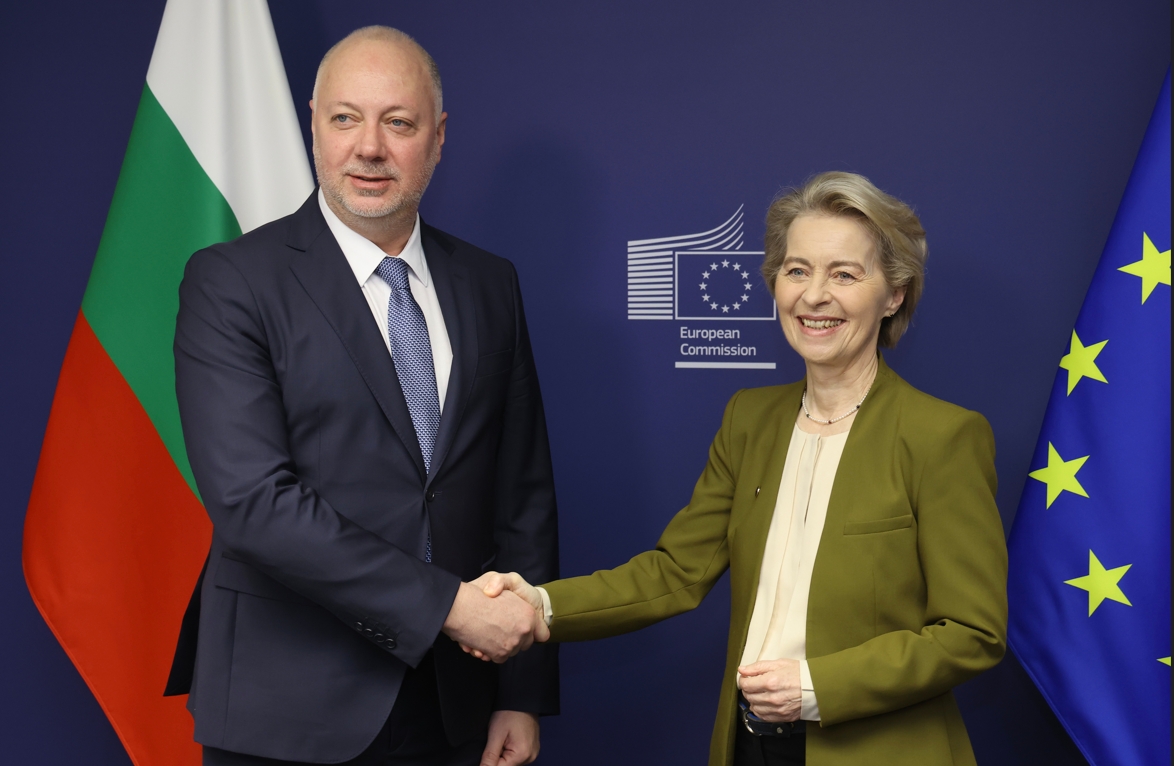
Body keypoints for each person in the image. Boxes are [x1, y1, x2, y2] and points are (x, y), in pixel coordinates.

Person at [478, 172, 1007, 766]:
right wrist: (540, 605)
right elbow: (675, 572)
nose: (814, 296)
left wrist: (816, 686)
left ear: (894, 295)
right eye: (797, 270)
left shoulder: (943, 436)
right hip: (749, 746)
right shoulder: (749, 419)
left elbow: (973, 633)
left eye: (844, 274)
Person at [166, 26, 559, 766]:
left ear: (438, 138)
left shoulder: (489, 282)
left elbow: (522, 495)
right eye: (346, 118)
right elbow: (253, 502)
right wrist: (447, 607)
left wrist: (521, 690)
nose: (369, 147)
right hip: (289, 705)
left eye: (398, 122)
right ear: (314, 124)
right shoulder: (232, 281)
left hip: (455, 704)